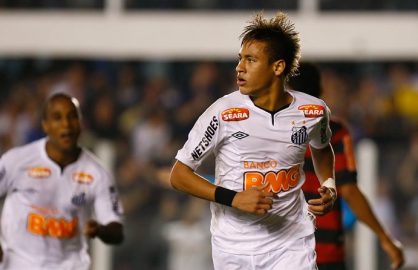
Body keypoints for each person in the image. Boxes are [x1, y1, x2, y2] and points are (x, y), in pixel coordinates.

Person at [169, 12, 337, 270]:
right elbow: (179, 175)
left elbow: (322, 149)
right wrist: (233, 198)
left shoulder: (313, 111)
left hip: (291, 241)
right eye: (240, 59)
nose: (240, 67)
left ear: (278, 67)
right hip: (233, 246)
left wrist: (329, 184)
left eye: (251, 60)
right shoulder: (223, 112)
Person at [0, 93, 124, 270]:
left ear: (81, 123)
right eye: (57, 117)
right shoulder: (19, 159)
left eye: (72, 117)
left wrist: (101, 230)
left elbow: (116, 231)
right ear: (45, 125)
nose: (66, 124)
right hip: (19, 262)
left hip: (70, 265)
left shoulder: (97, 174)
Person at [288, 62, 404, 270]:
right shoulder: (336, 132)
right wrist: (385, 237)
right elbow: (349, 190)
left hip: (282, 252)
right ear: (319, 92)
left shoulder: (269, 132)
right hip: (326, 252)